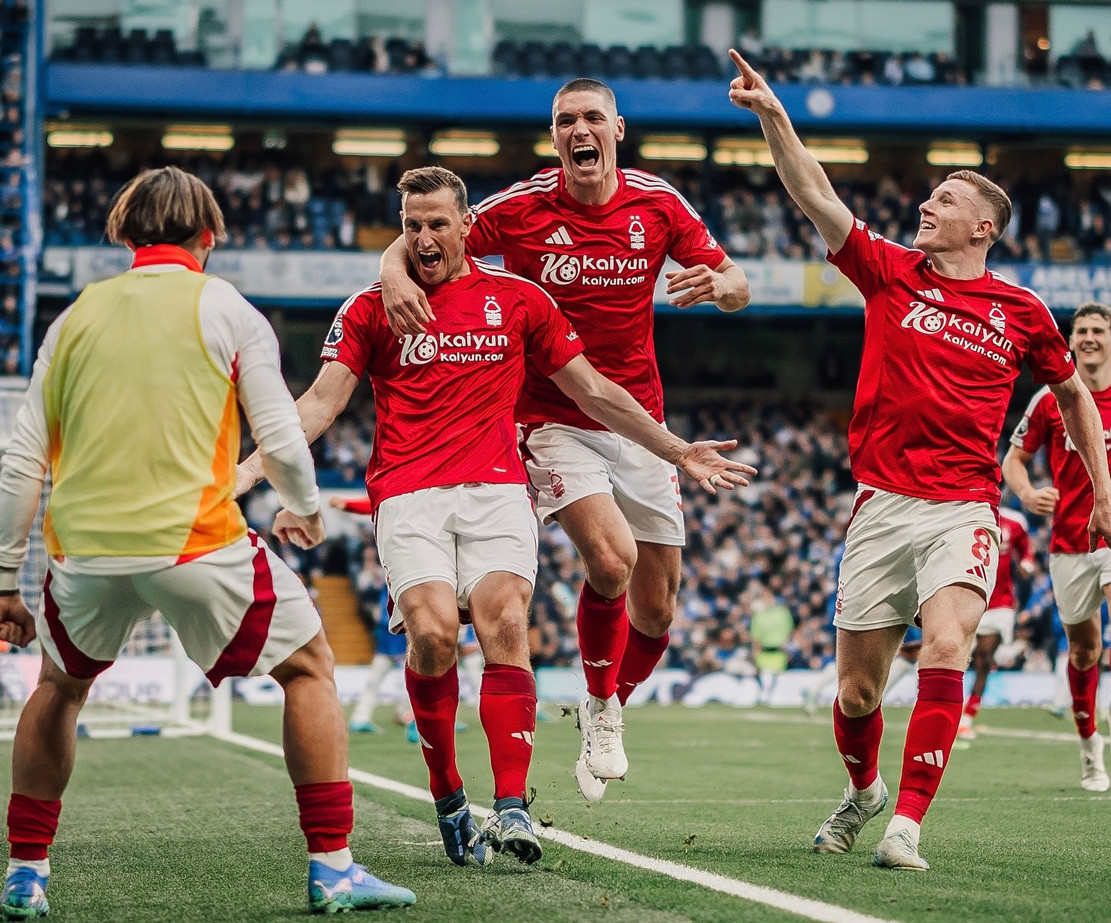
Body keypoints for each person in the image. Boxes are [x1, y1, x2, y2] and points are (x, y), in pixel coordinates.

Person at [235, 166, 753, 867]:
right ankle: (448, 791)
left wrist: (675, 448)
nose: (423, 238)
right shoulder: (369, 307)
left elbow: (594, 390)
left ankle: (511, 804)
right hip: (409, 491)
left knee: (508, 620)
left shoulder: (518, 299)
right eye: (411, 225)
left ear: (463, 227)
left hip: (497, 486)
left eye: (437, 224)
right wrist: (242, 475)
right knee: (433, 633)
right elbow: (317, 406)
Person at [729, 51, 1111, 869]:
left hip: (963, 507)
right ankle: (863, 789)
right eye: (926, 196)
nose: (922, 207)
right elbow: (815, 194)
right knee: (857, 692)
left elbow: (1074, 395)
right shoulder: (889, 272)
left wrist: (1102, 491)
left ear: (982, 226)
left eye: (941, 200)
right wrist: (774, 116)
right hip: (879, 504)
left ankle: (904, 823)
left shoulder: (1021, 309)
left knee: (947, 644)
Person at [0, 166, 414, 917]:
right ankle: (333, 867)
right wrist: (305, 508)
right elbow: (281, 434)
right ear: (210, 237)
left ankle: (25, 876)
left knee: (57, 688)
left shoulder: (73, 319)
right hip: (193, 541)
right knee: (310, 667)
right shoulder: (225, 306)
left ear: (124, 235)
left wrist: (4, 579)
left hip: (85, 548)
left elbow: (22, 457)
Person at [378, 77, 751, 804]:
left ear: (617, 127)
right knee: (611, 560)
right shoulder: (519, 208)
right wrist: (392, 274)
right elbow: (426, 235)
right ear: (554, 137)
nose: (579, 129)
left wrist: (722, 288)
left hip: (637, 417)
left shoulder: (658, 202)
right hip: (549, 416)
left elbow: (734, 279)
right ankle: (595, 703)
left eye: (590, 118)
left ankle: (601, 705)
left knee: (657, 609)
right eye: (564, 120)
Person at [1002, 302, 1111, 791]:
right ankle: (1091, 752)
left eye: (1098, 331)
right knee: (1084, 651)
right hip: (1068, 544)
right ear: (1070, 339)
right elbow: (1013, 460)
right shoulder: (1051, 399)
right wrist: (1026, 493)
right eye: (1082, 330)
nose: (1089, 338)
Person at [957, 506, 1035, 741]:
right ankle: (948, 709)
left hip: (1000, 603)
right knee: (957, 656)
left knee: (983, 655)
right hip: (968, 598)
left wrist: (1027, 565)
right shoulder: (964, 513)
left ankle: (968, 714)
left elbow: (1026, 552)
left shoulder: (1014, 521)